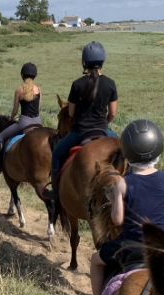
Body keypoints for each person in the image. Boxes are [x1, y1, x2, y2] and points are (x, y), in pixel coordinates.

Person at [86, 119, 164, 295]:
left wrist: (116, 199)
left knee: (95, 261)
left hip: (132, 247)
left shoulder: (123, 183)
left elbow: (117, 219)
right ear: (158, 149)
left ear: (126, 153)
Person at [51, 41, 118, 196]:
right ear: (102, 61)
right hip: (103, 130)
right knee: (126, 154)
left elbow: (72, 113)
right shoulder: (110, 84)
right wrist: (104, 124)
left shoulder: (77, 84)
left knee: (56, 155)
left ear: (84, 62)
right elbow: (113, 113)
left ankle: (55, 193)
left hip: (80, 132)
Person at [0, 62, 42, 174]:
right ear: (34, 75)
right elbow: (38, 107)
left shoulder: (19, 90)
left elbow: (15, 110)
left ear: (22, 75)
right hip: (38, 121)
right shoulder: (38, 89)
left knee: (0, 137)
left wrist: (10, 117)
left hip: (24, 122)